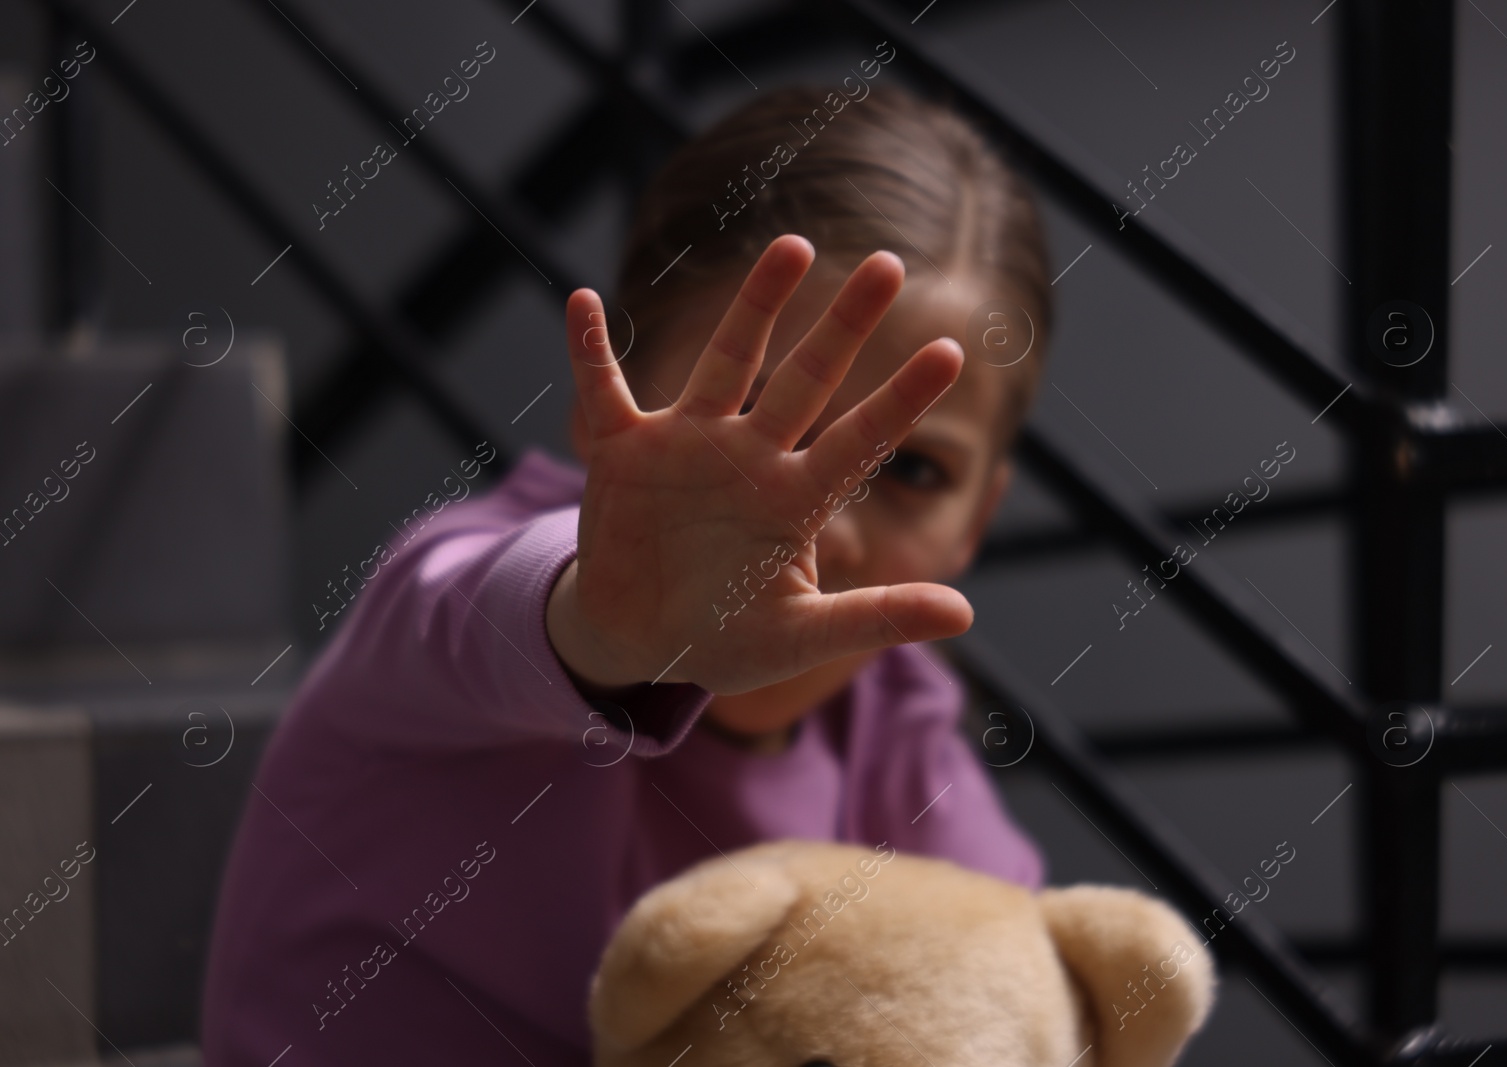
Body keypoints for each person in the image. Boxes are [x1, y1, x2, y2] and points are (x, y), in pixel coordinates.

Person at [202, 81, 1054, 1065]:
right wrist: (614, 620)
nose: (815, 525)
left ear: (977, 518)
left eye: (912, 470)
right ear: (604, 407)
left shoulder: (901, 722)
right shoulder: (451, 602)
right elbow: (493, 611)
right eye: (752, 426)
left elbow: (1006, 981)